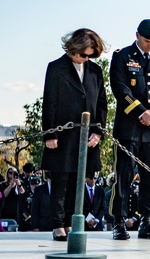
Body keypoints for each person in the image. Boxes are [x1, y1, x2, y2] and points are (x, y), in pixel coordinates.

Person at [41, 28, 109, 241]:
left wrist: (98, 132)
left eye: (90, 55)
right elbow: (49, 103)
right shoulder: (55, 68)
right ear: (73, 48)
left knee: (78, 182)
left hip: (87, 137)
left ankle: (71, 222)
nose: (85, 59)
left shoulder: (95, 71)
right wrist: (49, 134)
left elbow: (101, 104)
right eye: (83, 54)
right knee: (61, 181)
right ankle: (58, 224)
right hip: (62, 136)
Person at [109, 19, 150, 240]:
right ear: (137, 35)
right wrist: (140, 111)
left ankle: (147, 222)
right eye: (147, 41)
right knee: (124, 176)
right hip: (130, 126)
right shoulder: (122, 56)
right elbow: (120, 87)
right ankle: (119, 221)